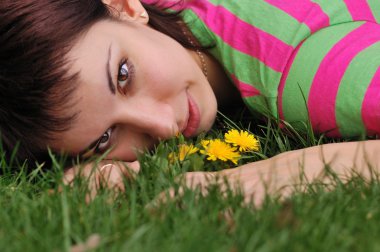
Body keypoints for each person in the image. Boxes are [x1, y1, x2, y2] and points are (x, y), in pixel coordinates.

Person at [1, 0, 379, 204]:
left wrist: (303, 166)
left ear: (125, 8)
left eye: (123, 75)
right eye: (104, 138)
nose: (164, 126)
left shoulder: (315, 73)